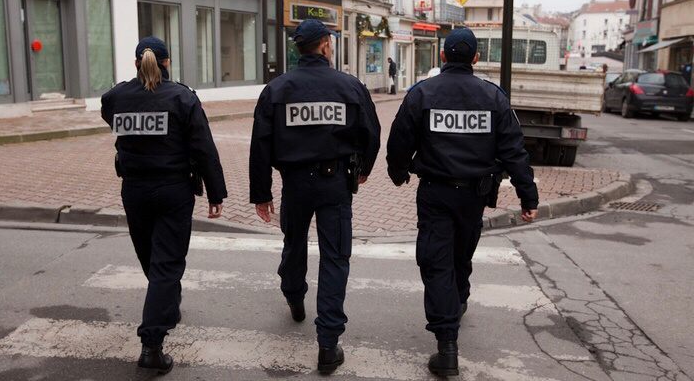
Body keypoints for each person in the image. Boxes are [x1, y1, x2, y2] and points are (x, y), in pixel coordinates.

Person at [386, 28, 538, 377]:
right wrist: (528, 195)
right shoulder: (493, 97)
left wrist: (398, 172)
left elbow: (400, 138)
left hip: (435, 192)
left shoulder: (422, 93)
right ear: (475, 58)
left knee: (437, 261)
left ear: (442, 56)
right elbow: (514, 151)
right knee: (461, 252)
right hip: (474, 195)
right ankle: (459, 299)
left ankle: (447, 345)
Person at [249, 19, 381, 374]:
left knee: (294, 243)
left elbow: (260, 144)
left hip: (294, 184)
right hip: (335, 183)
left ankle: (294, 295)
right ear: (325, 46)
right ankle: (328, 344)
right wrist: (365, 167)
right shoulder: (349, 86)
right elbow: (371, 131)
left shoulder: (276, 89)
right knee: (335, 257)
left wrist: (261, 193)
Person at [101, 36, 227, 374]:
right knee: (166, 265)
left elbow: (108, 114)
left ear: (136, 63)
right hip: (173, 191)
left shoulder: (117, 97)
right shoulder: (182, 97)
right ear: (167, 63)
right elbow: (203, 148)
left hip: (135, 191)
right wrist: (216, 194)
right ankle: (152, 345)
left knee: (151, 260)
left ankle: (166, 300)